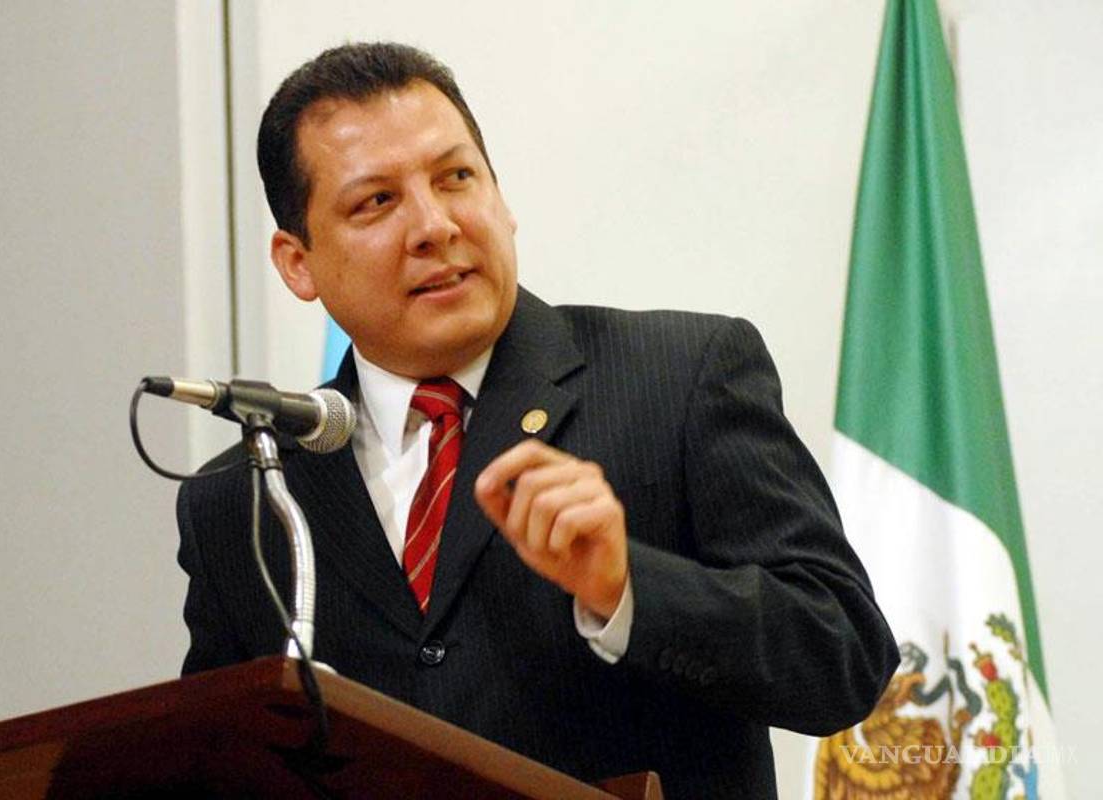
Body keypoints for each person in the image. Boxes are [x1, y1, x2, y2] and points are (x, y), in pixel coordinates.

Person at [177, 42, 899, 798]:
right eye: (377, 202)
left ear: (501, 200)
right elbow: (214, 765)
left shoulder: (682, 376)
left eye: (456, 178)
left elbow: (844, 657)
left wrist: (628, 588)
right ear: (297, 262)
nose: (435, 225)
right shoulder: (244, 500)